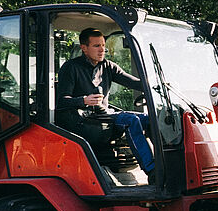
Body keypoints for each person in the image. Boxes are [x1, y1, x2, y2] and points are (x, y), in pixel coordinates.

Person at [56, 28, 155, 174]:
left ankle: (162, 163)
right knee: (131, 120)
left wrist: (155, 84)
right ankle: (152, 171)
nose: (102, 49)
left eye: (103, 45)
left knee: (150, 119)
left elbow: (135, 83)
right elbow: (61, 102)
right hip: (84, 118)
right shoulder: (71, 68)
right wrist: (84, 100)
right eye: (96, 46)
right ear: (84, 48)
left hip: (104, 114)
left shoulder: (108, 66)